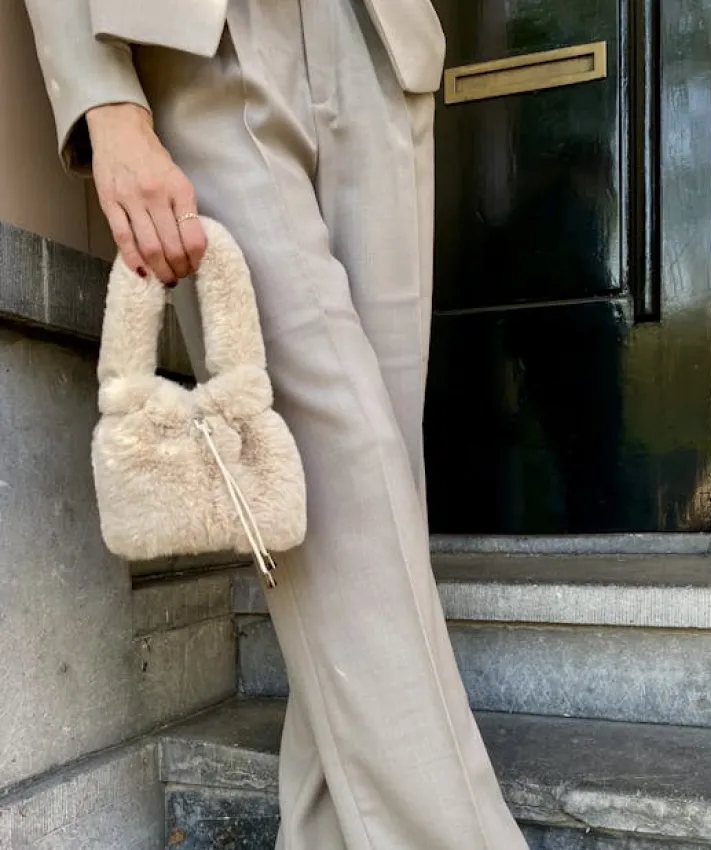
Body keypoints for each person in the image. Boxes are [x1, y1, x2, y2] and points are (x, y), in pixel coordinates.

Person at [22, 0, 532, 848]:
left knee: (379, 501)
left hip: (379, 45)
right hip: (206, 40)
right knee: (342, 481)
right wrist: (104, 100)